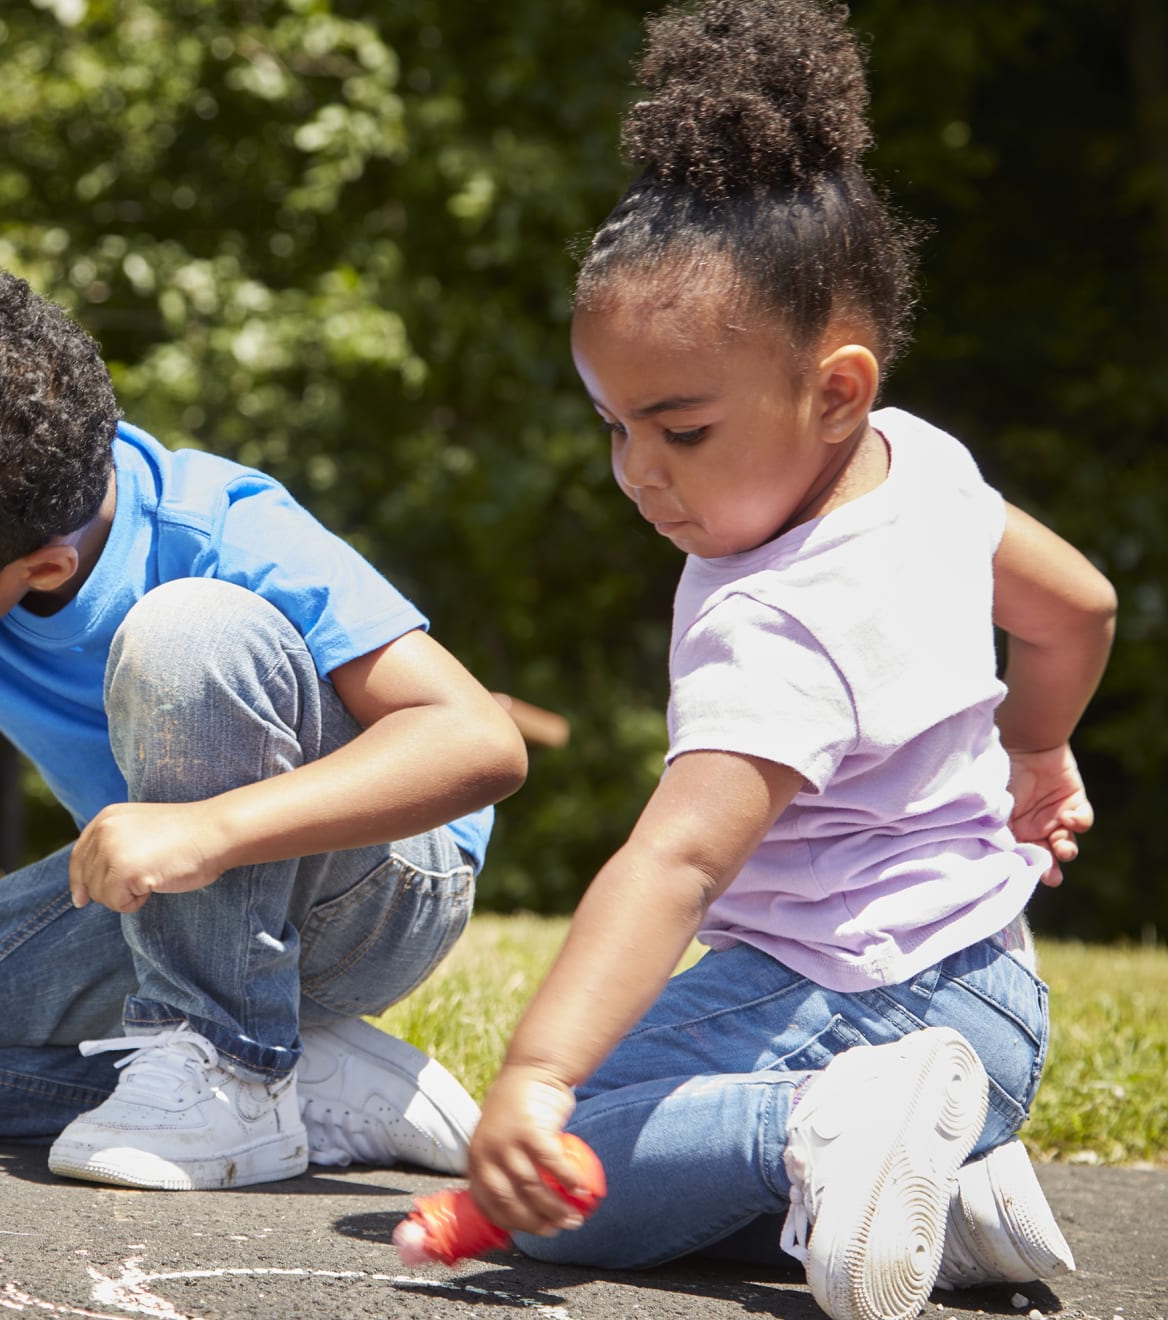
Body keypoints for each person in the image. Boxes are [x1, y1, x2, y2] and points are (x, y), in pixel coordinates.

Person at [464, 3, 1115, 1319]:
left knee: (542, 1188)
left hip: (860, 1009)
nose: (640, 473)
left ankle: (821, 1130)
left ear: (834, 390)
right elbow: (1079, 609)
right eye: (615, 427)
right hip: (996, 996)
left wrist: (536, 1073)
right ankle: (957, 1182)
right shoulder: (922, 464)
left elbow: (678, 862)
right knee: (623, 1148)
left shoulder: (772, 619)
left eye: (682, 429)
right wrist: (1037, 749)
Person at [0, 258, 529, 1191]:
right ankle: (304, 1076)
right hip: (167, 903)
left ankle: (235, 1067)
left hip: (370, 890)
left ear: (41, 570)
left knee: (186, 633)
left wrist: (210, 830)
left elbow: (478, 743)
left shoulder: (218, 531)